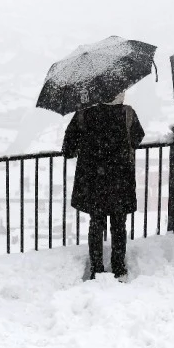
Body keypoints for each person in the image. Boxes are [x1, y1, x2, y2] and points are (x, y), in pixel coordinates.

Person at [62, 91, 145, 280]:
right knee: (119, 224)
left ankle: (96, 267)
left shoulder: (84, 114)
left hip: (93, 181)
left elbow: (68, 149)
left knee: (96, 223)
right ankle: (119, 266)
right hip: (120, 180)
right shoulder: (127, 114)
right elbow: (137, 138)